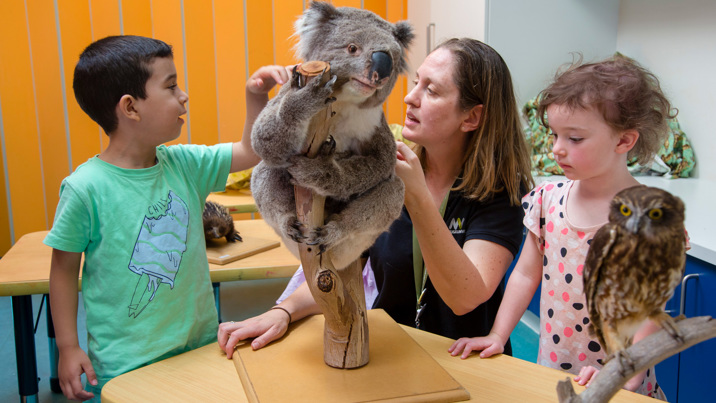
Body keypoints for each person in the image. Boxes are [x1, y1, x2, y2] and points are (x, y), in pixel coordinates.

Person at [217, 38, 534, 355]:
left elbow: (465, 297)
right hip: (392, 352)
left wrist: (417, 196)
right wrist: (282, 312)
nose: (410, 98)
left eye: (432, 91)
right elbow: (345, 265)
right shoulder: (381, 170)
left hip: (467, 362)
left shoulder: (500, 192)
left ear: (471, 118)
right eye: (416, 83)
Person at [44, 35, 289, 401]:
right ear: (130, 108)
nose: (184, 95)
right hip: (127, 363)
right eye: (171, 86)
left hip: (199, 346)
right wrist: (67, 347)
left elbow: (249, 151)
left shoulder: (185, 164)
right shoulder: (85, 188)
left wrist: (256, 96)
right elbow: (63, 268)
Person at [448, 54, 676, 400]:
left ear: (624, 141)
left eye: (575, 139)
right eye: (554, 135)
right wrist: (497, 334)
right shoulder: (547, 201)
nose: (557, 149)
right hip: (553, 374)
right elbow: (525, 275)